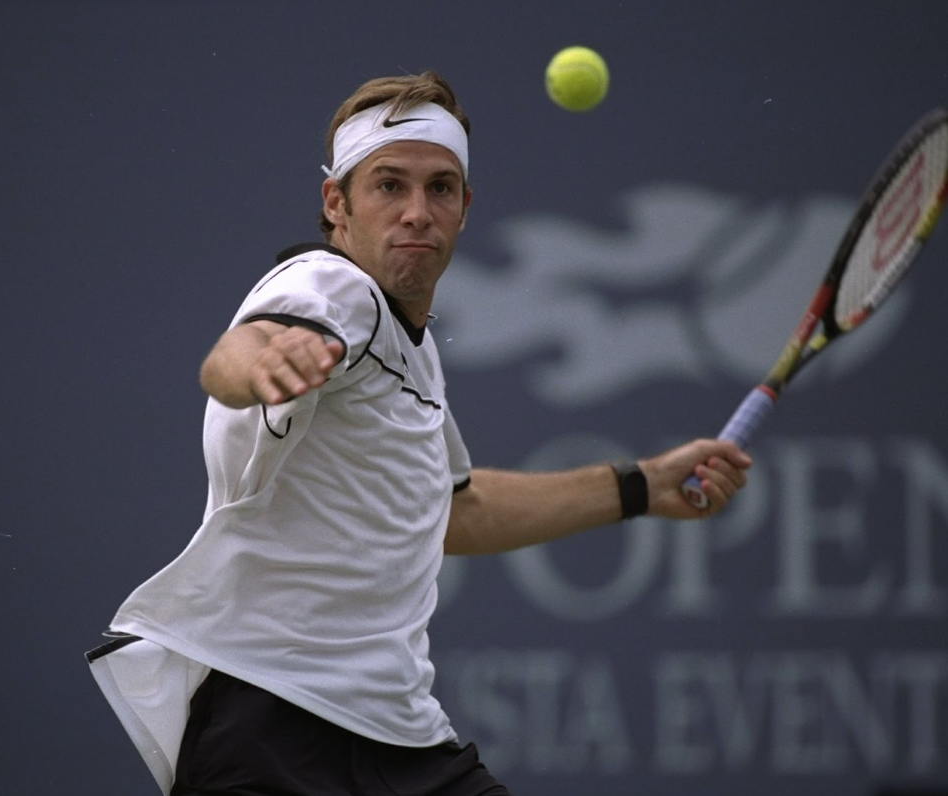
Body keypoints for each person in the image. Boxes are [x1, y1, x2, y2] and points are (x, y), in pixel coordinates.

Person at [87, 70, 752, 796]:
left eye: (440, 188)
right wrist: (262, 362)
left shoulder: (414, 353)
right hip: (268, 724)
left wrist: (642, 486)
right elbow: (236, 354)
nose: (416, 212)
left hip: (396, 735)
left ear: (465, 209)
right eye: (388, 186)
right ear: (336, 204)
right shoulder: (331, 289)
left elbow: (457, 510)